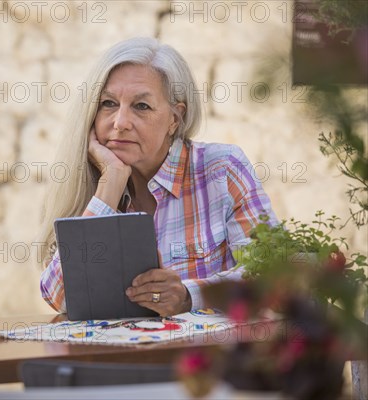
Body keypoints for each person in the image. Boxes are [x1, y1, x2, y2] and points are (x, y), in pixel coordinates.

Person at [39, 37, 278, 317]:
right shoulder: (90, 184)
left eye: (141, 106)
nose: (120, 122)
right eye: (108, 103)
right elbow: (59, 298)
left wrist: (190, 295)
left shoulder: (221, 169)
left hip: (208, 357)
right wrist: (110, 184)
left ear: (175, 119)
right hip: (122, 358)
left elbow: (274, 274)